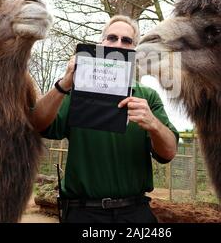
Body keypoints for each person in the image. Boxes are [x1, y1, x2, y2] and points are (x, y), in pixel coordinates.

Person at [29, 15, 179, 223]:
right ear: (101, 43)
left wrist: (153, 124)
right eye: (112, 38)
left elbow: (169, 152)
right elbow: (37, 123)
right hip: (83, 213)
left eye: (126, 41)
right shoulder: (73, 91)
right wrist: (64, 84)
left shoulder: (147, 96)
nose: (118, 44)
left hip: (135, 213)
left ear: (134, 50)